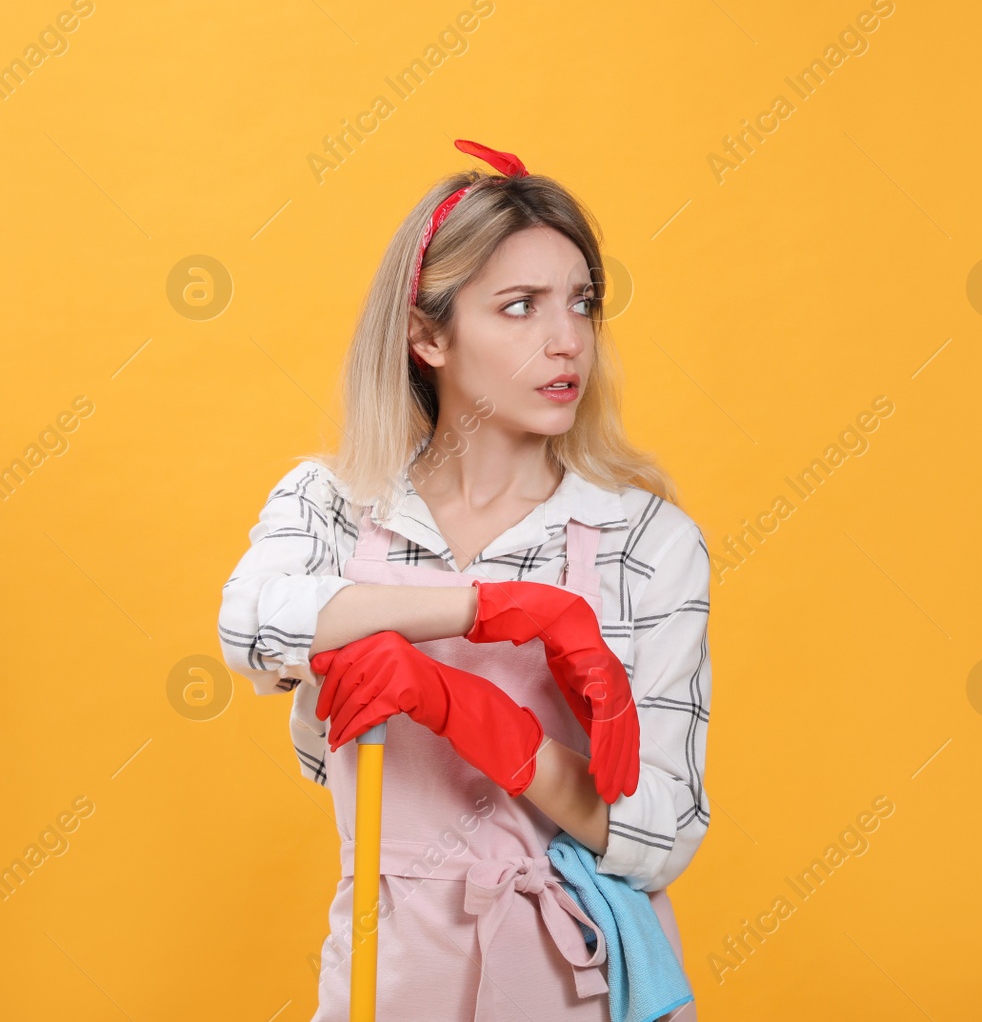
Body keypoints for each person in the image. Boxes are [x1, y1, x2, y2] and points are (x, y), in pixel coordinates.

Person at [216, 140, 711, 1020]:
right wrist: (492, 608)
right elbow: (252, 627)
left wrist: (473, 713)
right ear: (428, 333)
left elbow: (662, 833)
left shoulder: (644, 541)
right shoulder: (339, 506)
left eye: (582, 304)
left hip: (570, 977)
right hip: (387, 970)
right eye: (519, 307)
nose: (567, 340)